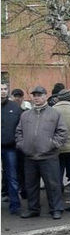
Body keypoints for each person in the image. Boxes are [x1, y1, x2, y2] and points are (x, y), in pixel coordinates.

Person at [15, 86, 68, 218]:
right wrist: (22, 145)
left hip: (49, 156)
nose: (36, 97)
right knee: (31, 186)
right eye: (34, 95)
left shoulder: (54, 113)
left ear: (45, 96)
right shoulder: (25, 115)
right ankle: (33, 209)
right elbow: (18, 132)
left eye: (39, 95)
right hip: (30, 156)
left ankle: (56, 209)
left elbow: (62, 132)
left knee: (53, 184)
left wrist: (52, 144)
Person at [1, 82, 23, 214]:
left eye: (4, 89)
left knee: (12, 177)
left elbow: (21, 127)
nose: (3, 91)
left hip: (10, 147)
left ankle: (15, 206)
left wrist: (19, 142)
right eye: (0, 89)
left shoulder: (15, 108)